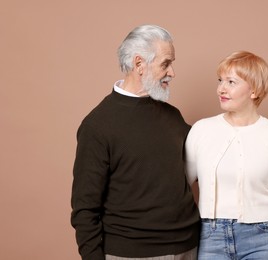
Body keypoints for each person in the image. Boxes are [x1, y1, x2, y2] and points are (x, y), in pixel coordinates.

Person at [71, 24, 200, 260]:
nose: (172, 72)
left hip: (190, 249)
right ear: (139, 64)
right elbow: (84, 209)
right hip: (132, 254)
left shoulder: (173, 116)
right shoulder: (97, 125)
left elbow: (207, 159)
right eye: (165, 64)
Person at [185, 51, 268, 259]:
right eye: (220, 80)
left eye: (231, 82)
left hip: (263, 239)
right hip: (210, 238)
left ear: (254, 90)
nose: (221, 88)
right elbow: (180, 187)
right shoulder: (202, 130)